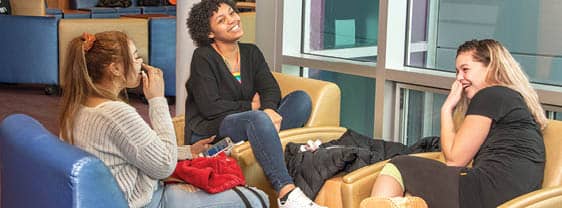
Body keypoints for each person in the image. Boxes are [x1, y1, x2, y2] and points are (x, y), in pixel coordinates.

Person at [59, 31, 268, 208]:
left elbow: (136, 149)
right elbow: (163, 167)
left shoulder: (78, 106)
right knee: (258, 199)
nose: (141, 62)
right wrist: (158, 100)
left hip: (119, 194)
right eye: (135, 57)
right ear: (115, 68)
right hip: (144, 201)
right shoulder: (115, 113)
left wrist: (188, 151)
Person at [368, 39, 547, 208]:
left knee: (399, 165)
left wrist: (446, 108)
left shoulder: (491, 95)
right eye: (457, 72)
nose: (459, 78)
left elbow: (454, 160)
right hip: (513, 197)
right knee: (409, 193)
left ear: (491, 68)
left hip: (488, 192)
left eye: (465, 69)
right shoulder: (511, 100)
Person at [185, 1, 322, 207]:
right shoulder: (203, 56)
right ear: (209, 33)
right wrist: (251, 107)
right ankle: (286, 193)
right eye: (222, 20)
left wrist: (267, 109)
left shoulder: (251, 52)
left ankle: (260, 137)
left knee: (301, 99)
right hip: (213, 127)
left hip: (251, 121)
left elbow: (270, 88)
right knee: (256, 119)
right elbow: (210, 107)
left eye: (232, 13)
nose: (233, 20)